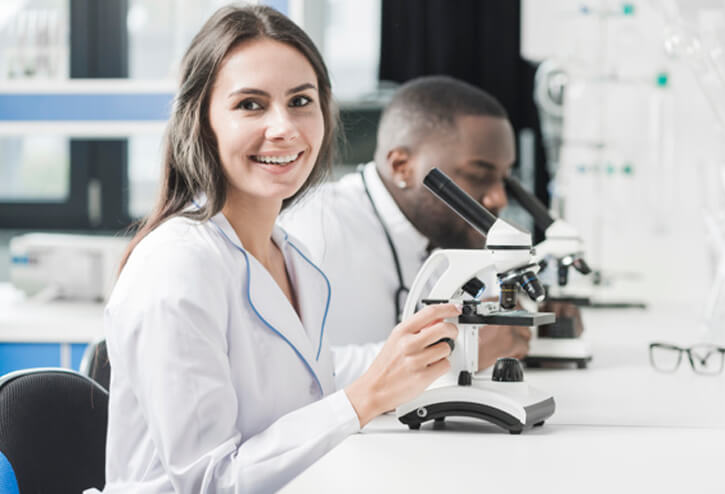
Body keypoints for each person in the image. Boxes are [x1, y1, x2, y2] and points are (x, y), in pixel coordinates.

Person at [94, 6, 459, 493]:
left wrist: (431, 348)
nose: (284, 127)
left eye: (301, 101)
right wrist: (364, 398)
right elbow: (210, 481)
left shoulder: (287, 255)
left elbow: (312, 379)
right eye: (250, 104)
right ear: (202, 122)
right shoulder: (176, 266)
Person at [282, 76, 531, 383]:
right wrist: (455, 354)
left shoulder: (448, 230)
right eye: (478, 175)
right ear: (402, 166)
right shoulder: (316, 229)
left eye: (504, 179)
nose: (498, 198)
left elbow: (500, 322)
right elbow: (293, 373)